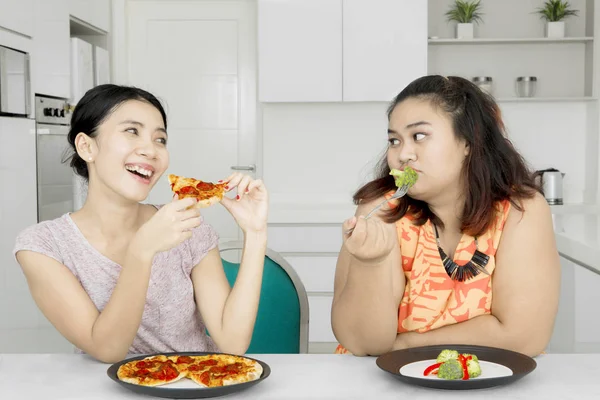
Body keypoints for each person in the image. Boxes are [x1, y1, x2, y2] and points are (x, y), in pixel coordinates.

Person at [13, 84, 268, 363]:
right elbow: (107, 349)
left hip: (193, 384)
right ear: (86, 146)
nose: (151, 150)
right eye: (131, 131)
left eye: (160, 140)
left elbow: (233, 342)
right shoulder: (43, 246)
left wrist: (255, 233)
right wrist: (141, 252)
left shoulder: (187, 226)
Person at [331, 75, 560, 357]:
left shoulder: (520, 210)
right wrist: (371, 263)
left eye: (419, 136)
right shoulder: (379, 212)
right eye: (394, 140)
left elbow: (524, 337)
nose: (403, 154)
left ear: (467, 143)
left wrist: (406, 344)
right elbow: (365, 345)